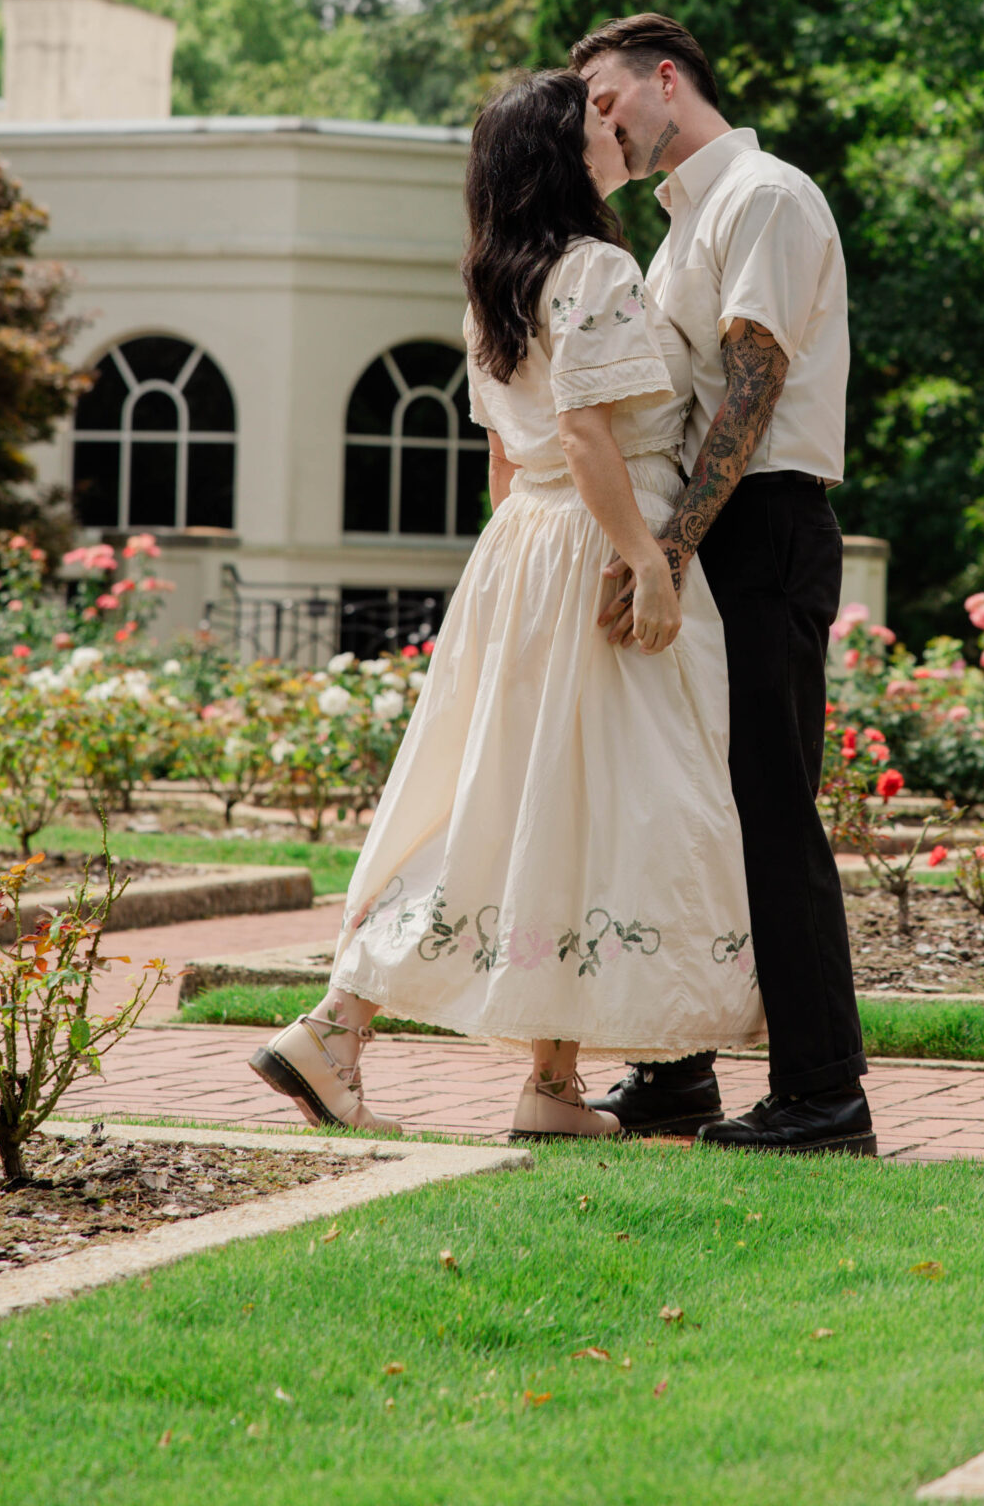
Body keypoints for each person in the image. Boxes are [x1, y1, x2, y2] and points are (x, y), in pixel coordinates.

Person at [247, 68, 764, 1137]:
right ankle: (345, 1025)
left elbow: (503, 459)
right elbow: (584, 436)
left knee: (528, 800)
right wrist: (647, 560)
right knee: (586, 799)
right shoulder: (597, 266)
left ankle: (543, 1081)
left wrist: (521, 576)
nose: (613, 126)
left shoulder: (496, 281)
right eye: (594, 118)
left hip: (522, 548)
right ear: (564, 152)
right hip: (589, 545)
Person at [575, 11, 874, 1158]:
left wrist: (677, 546)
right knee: (687, 807)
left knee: (771, 811)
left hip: (765, 527)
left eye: (606, 100)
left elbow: (751, 387)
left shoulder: (764, 194)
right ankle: (677, 1071)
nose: (596, 125)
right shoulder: (677, 227)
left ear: (667, 77)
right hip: (708, 535)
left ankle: (824, 1096)